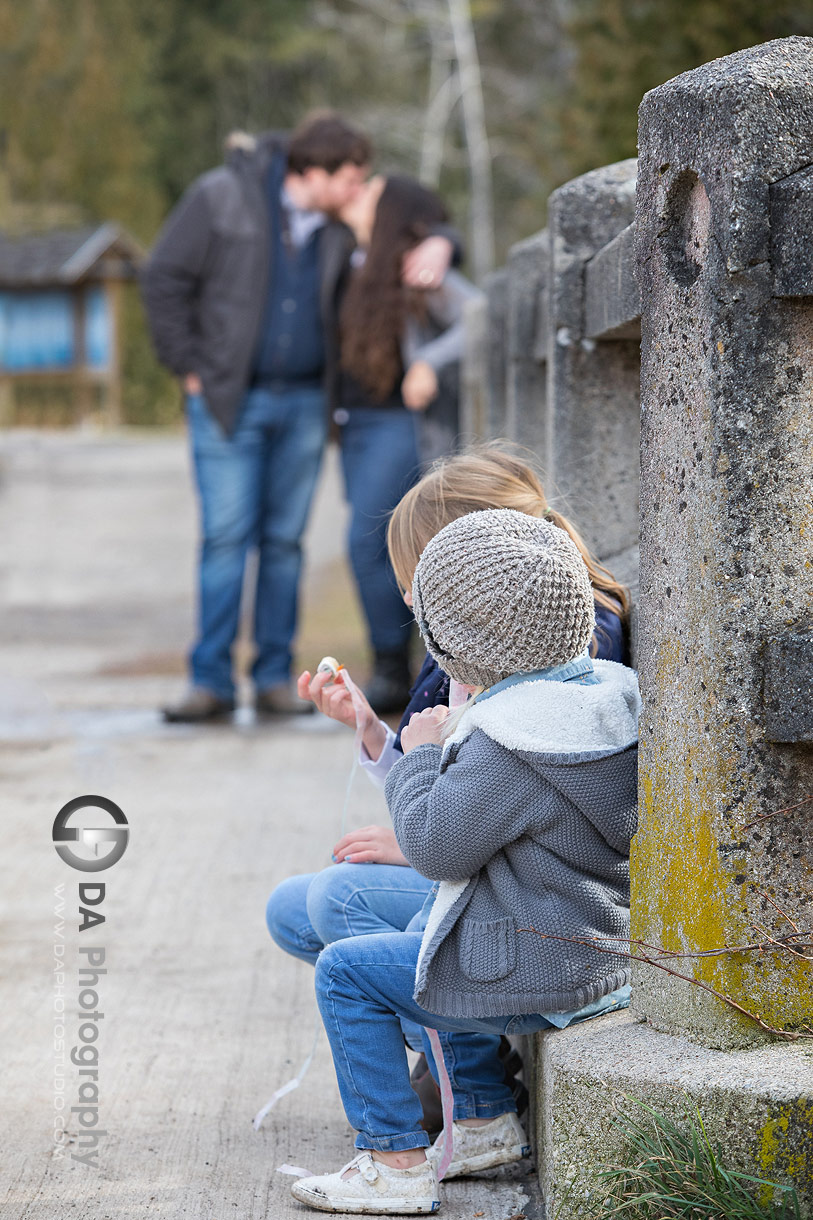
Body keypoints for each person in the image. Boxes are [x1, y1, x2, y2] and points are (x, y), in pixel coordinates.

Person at [265, 445, 631, 1129]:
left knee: (342, 925)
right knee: (298, 906)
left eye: (417, 584)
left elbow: (464, 821)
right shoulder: (504, 654)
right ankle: (461, 1079)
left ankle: (462, 1105)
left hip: (528, 909)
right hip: (506, 880)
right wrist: (375, 733)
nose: (407, 600)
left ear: (474, 568)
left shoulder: (543, 674)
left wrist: (411, 836)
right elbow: (454, 783)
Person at [141, 113, 454, 723]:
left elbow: (421, 216)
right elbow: (164, 277)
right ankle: (210, 683)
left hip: (309, 402)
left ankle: (275, 679)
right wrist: (187, 365)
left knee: (285, 544)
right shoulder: (222, 197)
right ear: (314, 173)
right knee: (226, 538)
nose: (361, 189)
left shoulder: (340, 226)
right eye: (352, 177)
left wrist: (443, 242)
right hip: (230, 400)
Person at [333, 175, 481, 714]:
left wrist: (427, 361)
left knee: (371, 542)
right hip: (354, 423)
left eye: (369, 193)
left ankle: (397, 667)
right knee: (374, 544)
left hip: (398, 423)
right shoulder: (351, 260)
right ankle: (401, 663)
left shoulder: (414, 269)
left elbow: (478, 315)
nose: (356, 197)